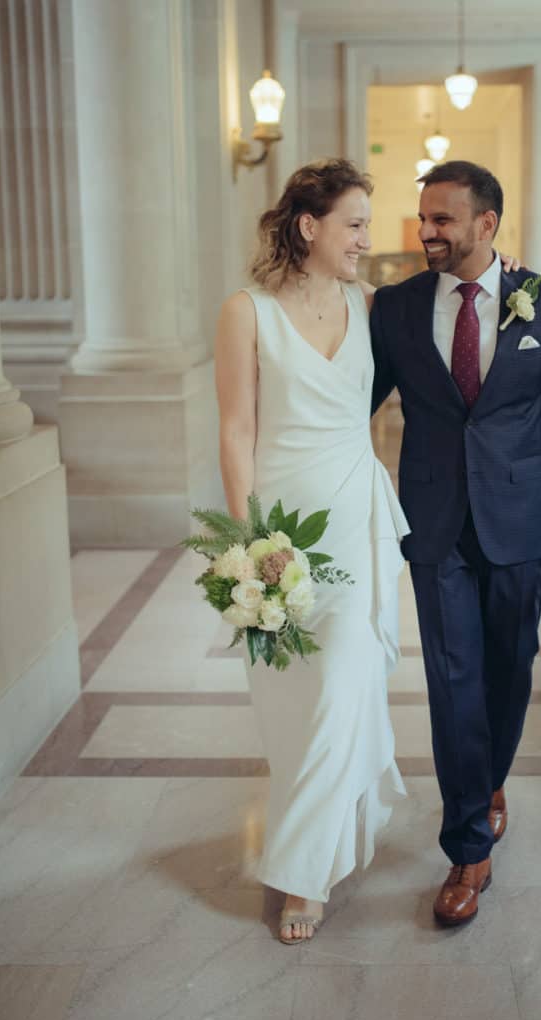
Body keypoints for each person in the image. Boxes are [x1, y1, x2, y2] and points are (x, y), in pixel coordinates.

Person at [370, 160, 541, 926]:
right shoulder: (396, 307)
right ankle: (467, 846)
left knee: (508, 672)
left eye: (443, 219)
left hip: (516, 524)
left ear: (485, 224)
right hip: (434, 525)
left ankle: (488, 776)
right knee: (451, 681)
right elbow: (353, 407)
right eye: (423, 217)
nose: (426, 231)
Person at [214, 159, 409, 944]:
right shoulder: (246, 312)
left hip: (357, 524)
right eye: (355, 224)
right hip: (283, 534)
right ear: (309, 227)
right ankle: (319, 833)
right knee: (293, 709)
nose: (367, 238)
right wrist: (251, 542)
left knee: (341, 683)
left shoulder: (370, 307)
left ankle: (302, 877)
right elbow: (234, 432)